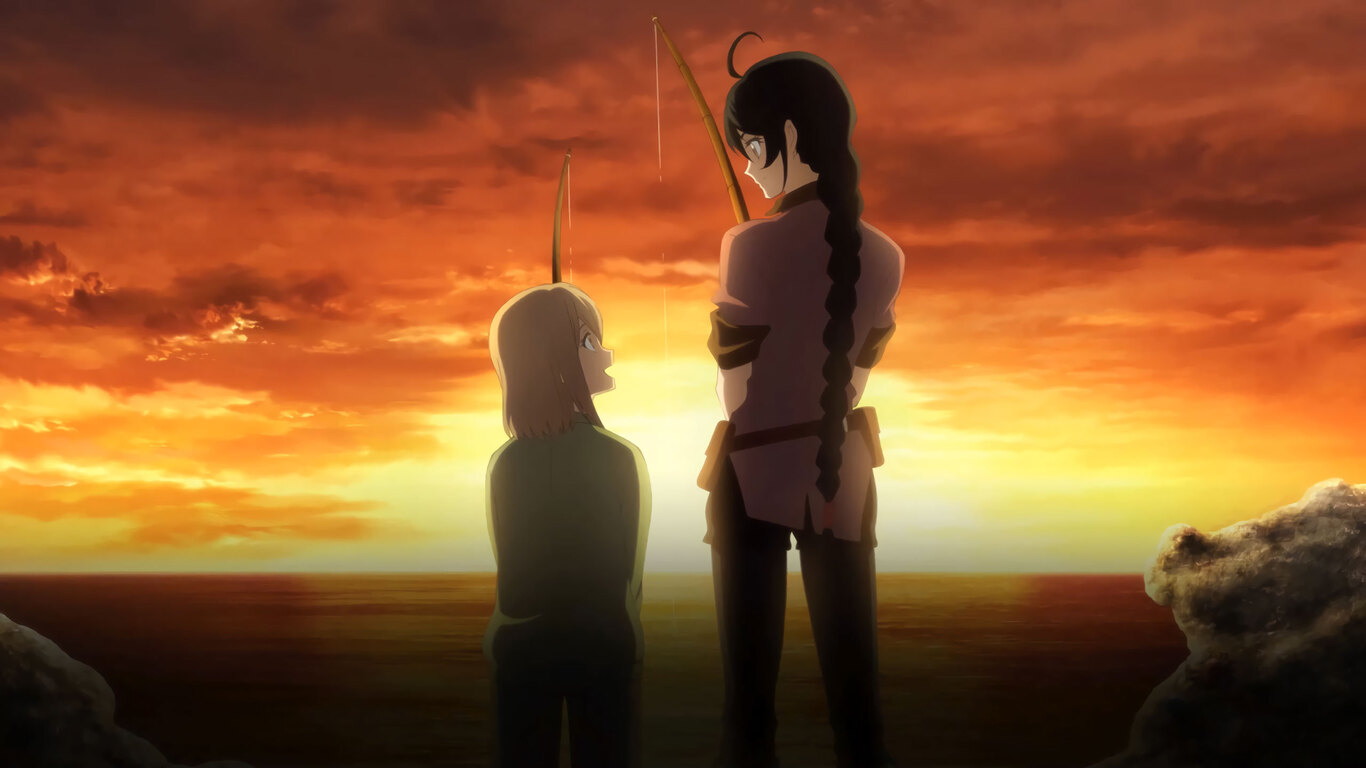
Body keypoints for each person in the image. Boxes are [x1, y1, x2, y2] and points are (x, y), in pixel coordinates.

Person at [701, 37, 904, 768]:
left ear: (789, 134)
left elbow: (736, 391)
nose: (749, 167)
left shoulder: (747, 245)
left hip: (753, 471)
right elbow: (854, 376)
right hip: (842, 468)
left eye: (753, 147)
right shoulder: (886, 256)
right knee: (857, 697)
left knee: (748, 702)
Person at [484, 283, 650, 768]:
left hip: (522, 643)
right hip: (602, 641)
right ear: (552, 357)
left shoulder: (506, 461)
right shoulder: (620, 457)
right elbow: (630, 573)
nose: (606, 354)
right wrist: (629, 635)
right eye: (589, 342)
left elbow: (509, 570)